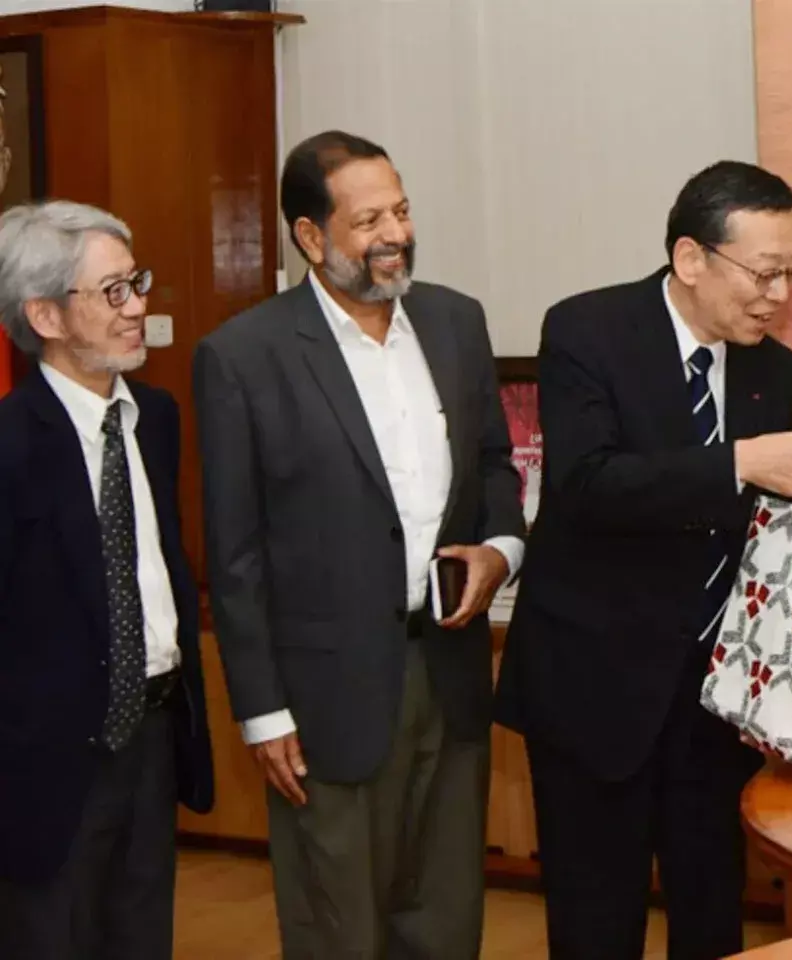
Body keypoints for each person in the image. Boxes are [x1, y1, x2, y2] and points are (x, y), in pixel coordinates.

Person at [495, 160, 792, 960]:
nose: (779, 295)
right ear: (691, 259)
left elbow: (768, 527)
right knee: (597, 927)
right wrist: (740, 462)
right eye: (764, 272)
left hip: (714, 704)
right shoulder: (588, 331)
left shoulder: (774, 368)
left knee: (712, 916)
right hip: (595, 692)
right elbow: (588, 485)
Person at [193, 130, 525, 959]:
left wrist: (499, 550)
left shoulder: (454, 321)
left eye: (401, 211)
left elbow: (492, 462)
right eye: (369, 220)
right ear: (311, 236)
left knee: (446, 918)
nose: (396, 234)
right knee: (339, 926)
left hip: (447, 670)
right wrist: (262, 712)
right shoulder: (243, 357)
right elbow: (235, 555)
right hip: (324, 695)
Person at [0, 200, 214, 959]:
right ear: (46, 316)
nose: (137, 307)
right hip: (48, 762)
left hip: (151, 736)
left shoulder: (154, 417)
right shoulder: (11, 443)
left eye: (137, 283)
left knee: (140, 936)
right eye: (113, 291)